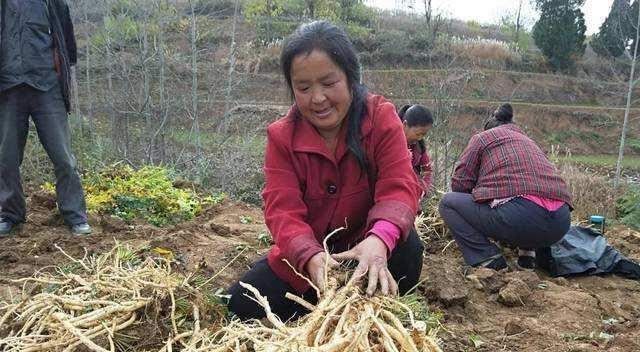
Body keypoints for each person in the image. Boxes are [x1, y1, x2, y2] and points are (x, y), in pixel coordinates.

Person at [227, 21, 424, 321]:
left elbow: (399, 187)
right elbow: (283, 211)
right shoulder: (282, 137)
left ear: (350, 77)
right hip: (307, 261)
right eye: (303, 88)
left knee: (407, 251)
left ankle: (367, 306)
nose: (317, 98)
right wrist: (310, 257)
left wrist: (378, 240)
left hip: (367, 252)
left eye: (329, 83)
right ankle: (319, 305)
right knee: (238, 303)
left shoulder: (381, 119)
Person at [439, 103, 572, 271]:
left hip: (522, 219)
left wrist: (477, 206)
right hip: (561, 223)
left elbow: (460, 183)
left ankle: (487, 258)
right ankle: (527, 258)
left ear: (488, 129)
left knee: (448, 203)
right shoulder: (528, 141)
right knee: (522, 198)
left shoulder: (482, 138)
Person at [0, 0, 91, 236]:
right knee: (6, 159)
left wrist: (62, 75)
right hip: (9, 88)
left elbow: (67, 42)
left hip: (47, 87)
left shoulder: (52, 2)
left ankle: (75, 215)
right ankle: (11, 215)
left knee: (63, 158)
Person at [398, 104, 433, 196]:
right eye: (418, 134)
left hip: (414, 191)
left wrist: (423, 188)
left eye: (423, 135)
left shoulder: (419, 146)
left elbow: (427, 170)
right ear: (404, 124)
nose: (420, 138)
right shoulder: (390, 143)